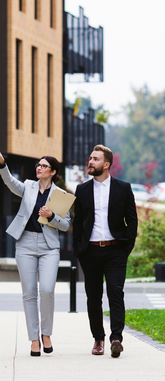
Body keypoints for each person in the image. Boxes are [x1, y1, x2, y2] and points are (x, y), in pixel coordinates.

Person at [0, 141, 71, 357]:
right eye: (38, 164)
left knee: (46, 289)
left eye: (44, 166)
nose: (39, 167)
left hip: (49, 247)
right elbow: (10, 182)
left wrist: (52, 216)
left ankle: (47, 334)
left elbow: (66, 225)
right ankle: (34, 339)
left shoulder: (61, 195)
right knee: (29, 294)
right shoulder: (28, 186)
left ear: (53, 172)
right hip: (25, 243)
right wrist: (1, 163)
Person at [73, 144, 138, 358]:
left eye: (95, 159)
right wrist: (78, 249)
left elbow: (132, 220)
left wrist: (126, 246)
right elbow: (79, 221)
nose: (90, 162)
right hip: (90, 251)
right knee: (93, 297)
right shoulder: (82, 190)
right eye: (90, 158)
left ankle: (116, 338)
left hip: (115, 250)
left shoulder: (123, 188)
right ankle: (98, 339)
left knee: (115, 293)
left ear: (106, 164)